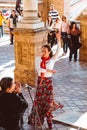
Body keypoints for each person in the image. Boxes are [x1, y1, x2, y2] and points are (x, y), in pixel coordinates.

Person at [28, 42, 63, 129]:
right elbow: (38, 69)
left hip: (48, 83)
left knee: (49, 103)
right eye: (42, 51)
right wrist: (50, 71)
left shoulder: (52, 60)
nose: (43, 52)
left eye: (45, 51)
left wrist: (59, 40)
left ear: (49, 52)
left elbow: (59, 51)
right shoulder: (37, 59)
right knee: (39, 102)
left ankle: (49, 121)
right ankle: (38, 120)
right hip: (41, 82)